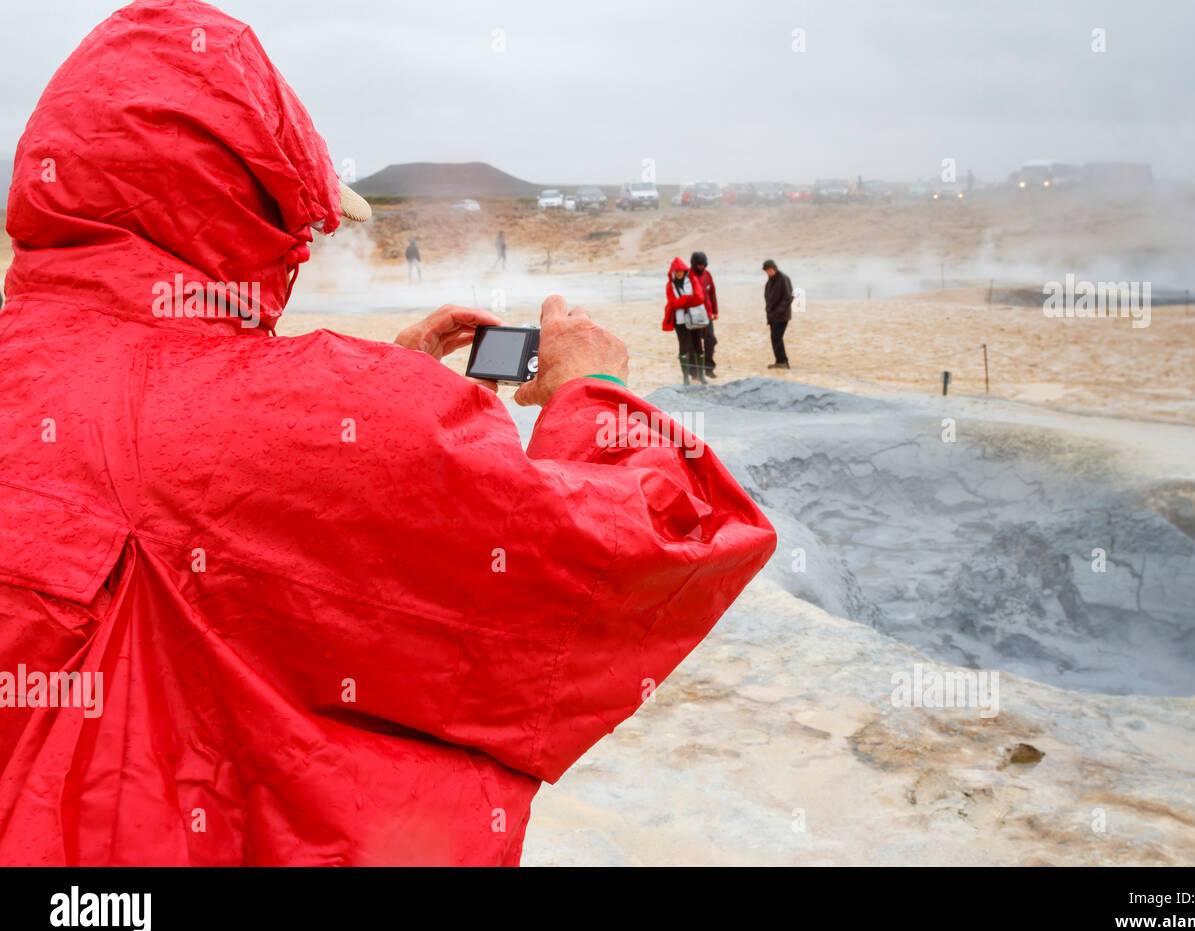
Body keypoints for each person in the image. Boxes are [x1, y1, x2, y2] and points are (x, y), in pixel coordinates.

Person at [0, 0, 776, 866]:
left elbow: (154, 440)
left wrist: (363, 400)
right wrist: (590, 390)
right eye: (292, 225)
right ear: (250, 212)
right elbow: (647, 548)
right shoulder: (300, 414)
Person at [662, 257, 709, 386]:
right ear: (673, 272)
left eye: (680, 271)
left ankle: (701, 375)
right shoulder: (670, 285)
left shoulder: (692, 280)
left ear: (684, 271)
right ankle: (685, 377)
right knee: (683, 347)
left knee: (698, 345)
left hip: (694, 319)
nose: (678, 274)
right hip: (680, 321)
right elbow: (672, 304)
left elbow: (699, 299)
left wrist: (682, 300)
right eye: (676, 272)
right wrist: (687, 298)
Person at [690, 251, 719, 377]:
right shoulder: (688, 276)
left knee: (710, 340)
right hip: (693, 316)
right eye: (699, 266)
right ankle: (695, 370)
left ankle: (709, 368)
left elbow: (712, 292)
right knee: (694, 344)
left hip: (707, 315)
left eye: (703, 265)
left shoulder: (707, 275)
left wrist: (715, 310)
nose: (702, 268)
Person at [762, 258, 793, 369]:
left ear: (774, 268)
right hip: (773, 316)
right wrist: (769, 313)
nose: (768, 273)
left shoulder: (783, 279)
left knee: (777, 337)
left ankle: (782, 361)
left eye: (769, 270)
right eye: (766, 271)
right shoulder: (770, 281)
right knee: (775, 337)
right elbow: (768, 297)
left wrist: (778, 311)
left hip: (781, 316)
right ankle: (780, 361)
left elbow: (788, 297)